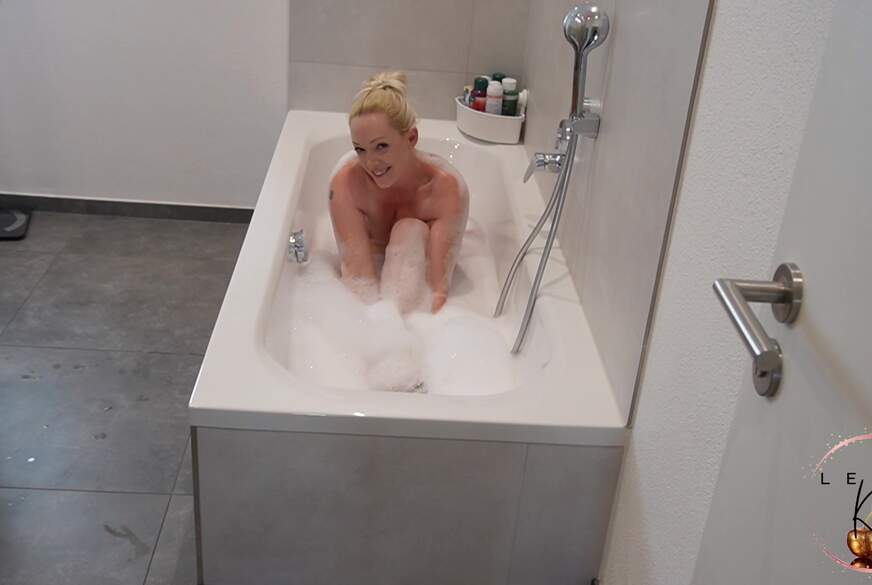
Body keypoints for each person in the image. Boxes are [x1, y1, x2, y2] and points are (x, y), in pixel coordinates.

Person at [329, 71, 469, 314]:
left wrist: (414, 328)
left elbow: (437, 290)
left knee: (409, 230)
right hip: (374, 283)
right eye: (360, 149)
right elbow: (356, 279)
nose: (370, 162)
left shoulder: (446, 189)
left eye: (381, 146)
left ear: (411, 138)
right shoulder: (346, 184)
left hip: (413, 282)